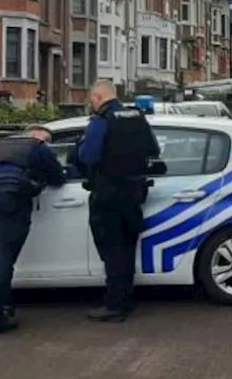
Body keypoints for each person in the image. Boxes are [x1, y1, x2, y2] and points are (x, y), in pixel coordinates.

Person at [77, 80, 161, 322]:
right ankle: (126, 299)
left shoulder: (101, 120)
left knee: (111, 250)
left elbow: (88, 156)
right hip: (134, 192)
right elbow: (153, 149)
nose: (92, 104)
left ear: (99, 96)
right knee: (127, 247)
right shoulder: (136, 116)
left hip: (107, 193)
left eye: (93, 99)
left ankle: (114, 305)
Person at [0, 124, 67, 335]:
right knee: (5, 256)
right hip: (12, 198)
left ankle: (4, 307)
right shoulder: (39, 147)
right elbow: (58, 178)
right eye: (47, 141)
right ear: (41, 137)